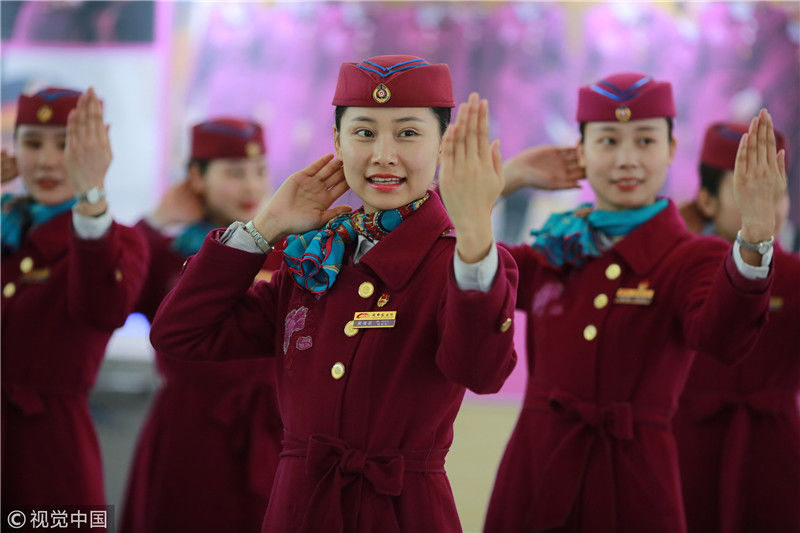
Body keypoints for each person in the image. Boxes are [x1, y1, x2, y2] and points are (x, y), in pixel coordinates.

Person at [149, 55, 518, 532]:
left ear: (443, 145)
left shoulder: (464, 261)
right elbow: (181, 333)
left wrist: (475, 236)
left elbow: (481, 372)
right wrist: (265, 227)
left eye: (408, 133)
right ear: (338, 143)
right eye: (364, 133)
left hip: (402, 512)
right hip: (298, 510)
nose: (383, 155)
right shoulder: (315, 258)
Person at [484, 73, 783, 533]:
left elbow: (723, 338)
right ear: (582, 151)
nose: (627, 160)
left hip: (634, 486)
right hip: (534, 478)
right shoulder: (553, 248)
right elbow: (457, 266)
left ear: (671, 149)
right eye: (608, 141)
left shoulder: (693, 257)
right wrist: (506, 181)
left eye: (645, 141)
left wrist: (755, 240)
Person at [120, 118, 283, 533]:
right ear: (196, 177)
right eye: (234, 173)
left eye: (259, 171)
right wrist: (154, 223)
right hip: (189, 433)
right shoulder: (168, 251)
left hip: (274, 433)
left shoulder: (291, 250)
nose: (251, 186)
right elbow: (112, 301)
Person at [1, 87, 148, 514]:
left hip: (49, 457)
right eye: (33, 143)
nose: (47, 161)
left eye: (66, 144)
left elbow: (104, 309)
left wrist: (91, 197)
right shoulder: (7, 229)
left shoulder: (117, 240)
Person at [673, 121, 799, 533]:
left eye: (776, 192)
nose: (766, 206)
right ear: (706, 201)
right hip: (687, 444)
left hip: (775, 450)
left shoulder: (796, 276)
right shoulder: (679, 268)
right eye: (748, 190)